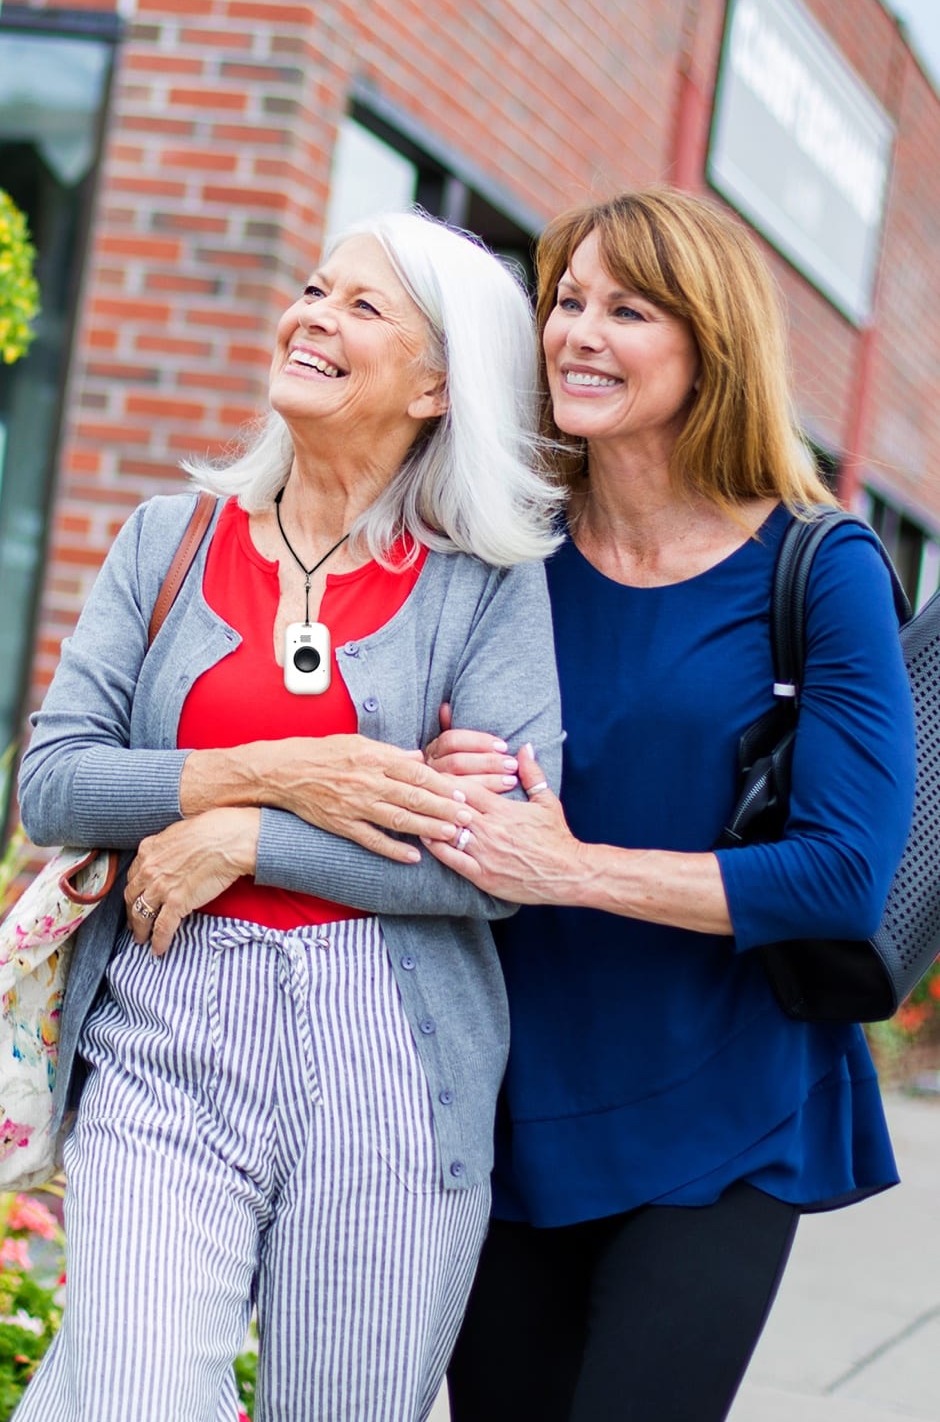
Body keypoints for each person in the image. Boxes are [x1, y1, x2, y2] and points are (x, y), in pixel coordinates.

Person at [14, 211, 563, 1422]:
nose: (312, 316)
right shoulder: (168, 539)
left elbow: (499, 857)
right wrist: (275, 770)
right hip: (167, 1023)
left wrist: (251, 838)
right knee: (135, 1397)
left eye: (362, 307)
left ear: (437, 385)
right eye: (314, 289)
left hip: (392, 1061)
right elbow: (53, 781)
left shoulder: (485, 586)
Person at [426, 190, 917, 1422]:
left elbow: (838, 874)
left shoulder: (820, 566)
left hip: (722, 1104)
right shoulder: (499, 546)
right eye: (566, 301)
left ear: (712, 343)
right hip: (505, 1098)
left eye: (628, 310)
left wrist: (569, 867)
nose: (577, 333)